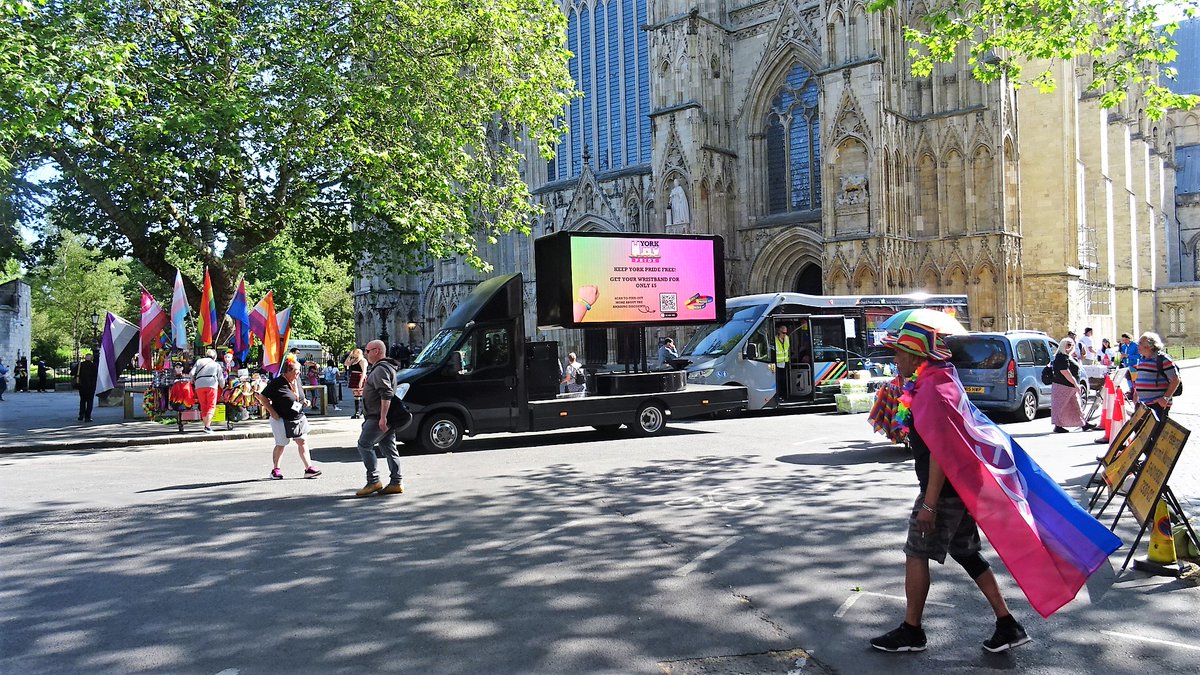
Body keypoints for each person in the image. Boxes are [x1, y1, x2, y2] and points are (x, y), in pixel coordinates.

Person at [870, 321, 1030, 654]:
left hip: (942, 490)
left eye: (899, 352)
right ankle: (1007, 624)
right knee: (967, 552)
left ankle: (912, 630)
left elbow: (942, 451)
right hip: (959, 486)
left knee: (916, 553)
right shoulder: (936, 380)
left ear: (916, 357)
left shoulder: (930, 389)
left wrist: (929, 505)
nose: (894, 358)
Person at [354, 339, 404, 497]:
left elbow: (386, 393)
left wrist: (382, 417)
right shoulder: (384, 368)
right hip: (381, 416)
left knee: (364, 445)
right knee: (389, 448)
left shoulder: (381, 369)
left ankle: (373, 480)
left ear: (377, 351)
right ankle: (396, 482)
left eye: (367, 351)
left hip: (377, 417)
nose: (366, 354)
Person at [256, 359, 321, 480]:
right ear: (288, 371)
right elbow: (263, 397)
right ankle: (276, 469)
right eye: (296, 371)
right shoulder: (277, 382)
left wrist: (304, 400)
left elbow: (298, 395)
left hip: (298, 417)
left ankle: (308, 468)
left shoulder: (297, 380)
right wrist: (272, 412)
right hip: (281, 418)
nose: (299, 373)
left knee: (302, 441)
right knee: (281, 444)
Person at [1050, 337, 1093, 434]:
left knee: (1076, 405)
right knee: (1060, 406)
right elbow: (1065, 372)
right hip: (1063, 385)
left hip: (1069, 386)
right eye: (1068, 345)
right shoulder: (1061, 357)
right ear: (1062, 345)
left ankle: (1083, 424)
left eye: (1072, 345)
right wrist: (1075, 383)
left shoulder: (1067, 357)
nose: (1070, 347)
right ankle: (1058, 425)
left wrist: (1074, 384)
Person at [1133, 331, 1181, 414]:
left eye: (1140, 343)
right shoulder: (1142, 360)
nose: (1138, 346)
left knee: (1157, 427)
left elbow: (1175, 380)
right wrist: (1136, 393)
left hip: (1157, 404)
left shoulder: (1163, 359)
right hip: (1143, 404)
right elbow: (1141, 379)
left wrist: (1165, 398)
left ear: (1150, 346)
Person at [190, 349, 225, 433]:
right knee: (211, 405)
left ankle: (206, 426)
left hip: (199, 385)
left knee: (203, 405)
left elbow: (191, 373)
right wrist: (222, 386)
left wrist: (193, 381)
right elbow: (221, 379)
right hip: (211, 384)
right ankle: (207, 426)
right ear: (215, 357)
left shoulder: (199, 361)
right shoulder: (216, 364)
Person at [345, 348, 368, 419]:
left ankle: (362, 411)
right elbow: (346, 364)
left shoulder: (362, 361)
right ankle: (357, 412)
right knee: (356, 395)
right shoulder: (354, 360)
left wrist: (361, 381)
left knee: (361, 394)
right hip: (354, 376)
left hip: (359, 376)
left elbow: (364, 371)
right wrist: (349, 356)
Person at [76, 353, 98, 422]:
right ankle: (87, 417)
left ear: (85, 358)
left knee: (82, 400)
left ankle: (81, 415)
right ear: (91, 358)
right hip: (91, 386)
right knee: (90, 401)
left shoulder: (80, 365)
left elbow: (73, 372)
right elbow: (96, 375)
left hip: (82, 385)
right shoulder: (93, 365)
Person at [774, 324, 790, 398]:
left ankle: (784, 395)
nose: (784, 334)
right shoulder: (775, 340)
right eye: (783, 333)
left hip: (785, 362)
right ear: (779, 332)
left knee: (785, 380)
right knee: (778, 380)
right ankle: (779, 395)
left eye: (786, 333)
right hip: (777, 363)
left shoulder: (787, 338)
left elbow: (787, 349)